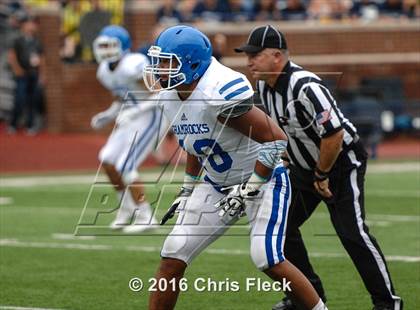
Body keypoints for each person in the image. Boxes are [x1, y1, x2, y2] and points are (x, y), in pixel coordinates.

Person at [143, 25, 328, 310]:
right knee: (173, 253)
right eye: (158, 61)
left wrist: (249, 189)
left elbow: (277, 140)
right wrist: (187, 189)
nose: (159, 69)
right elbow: (195, 144)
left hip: (264, 180)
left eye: (168, 62)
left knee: (267, 258)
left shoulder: (218, 91)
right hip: (218, 185)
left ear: (192, 63)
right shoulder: (170, 95)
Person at [235, 25, 403, 310]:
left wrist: (322, 175)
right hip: (304, 168)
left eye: (255, 54)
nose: (249, 61)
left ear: (277, 56)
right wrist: (290, 163)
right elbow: (279, 130)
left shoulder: (305, 85)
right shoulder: (265, 86)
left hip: (339, 164)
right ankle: (308, 296)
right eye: (248, 55)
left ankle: (388, 303)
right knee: (281, 228)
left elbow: (334, 133)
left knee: (353, 233)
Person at [91, 25, 165, 234]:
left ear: (122, 46)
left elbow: (161, 94)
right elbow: (120, 98)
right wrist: (107, 115)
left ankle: (146, 216)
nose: (105, 50)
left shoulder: (135, 63)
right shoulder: (104, 71)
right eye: (102, 45)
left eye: (110, 45)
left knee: (126, 165)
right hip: (130, 117)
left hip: (151, 116)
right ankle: (126, 209)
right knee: (107, 158)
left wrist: (135, 111)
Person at [7, 14, 44, 134]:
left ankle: (30, 125)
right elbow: (12, 56)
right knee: (20, 99)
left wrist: (43, 75)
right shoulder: (18, 40)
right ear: (23, 26)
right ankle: (13, 123)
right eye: (28, 24)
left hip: (33, 74)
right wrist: (17, 69)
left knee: (32, 101)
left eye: (32, 24)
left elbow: (42, 59)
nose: (31, 26)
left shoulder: (37, 42)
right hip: (22, 74)